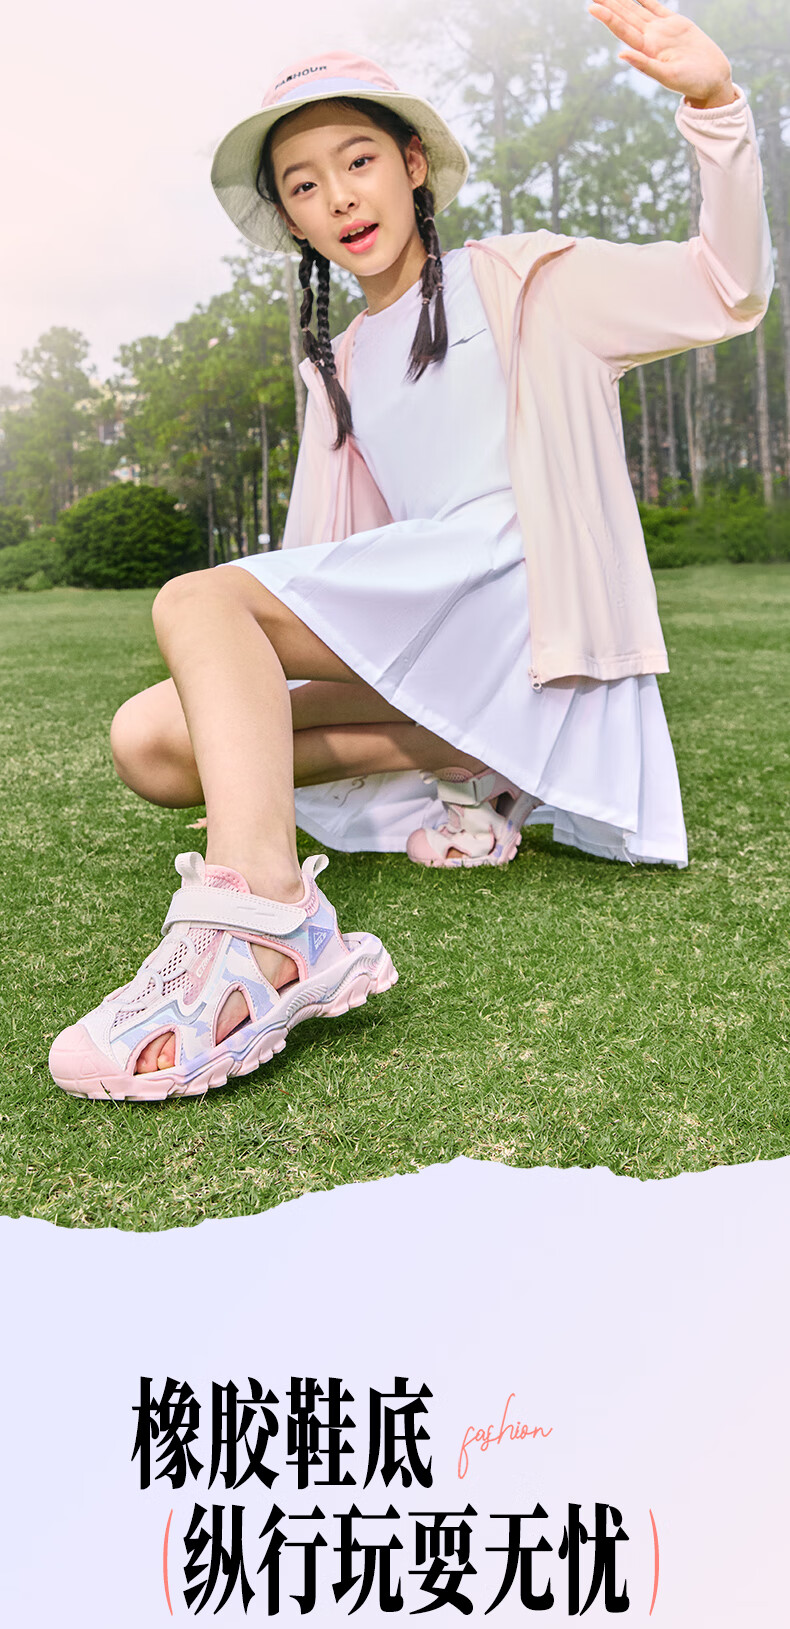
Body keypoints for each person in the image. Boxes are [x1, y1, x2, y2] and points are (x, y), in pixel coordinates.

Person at [49, 0, 773, 1102]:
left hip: (526, 602)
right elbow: (331, 551)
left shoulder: (524, 280)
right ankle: (469, 760)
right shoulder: (337, 362)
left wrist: (714, 106)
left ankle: (270, 928)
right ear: (292, 220)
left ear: (413, 165)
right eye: (303, 184)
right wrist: (257, 716)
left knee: (197, 602)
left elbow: (728, 285)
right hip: (436, 623)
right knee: (148, 742)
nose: (339, 197)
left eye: (358, 161)